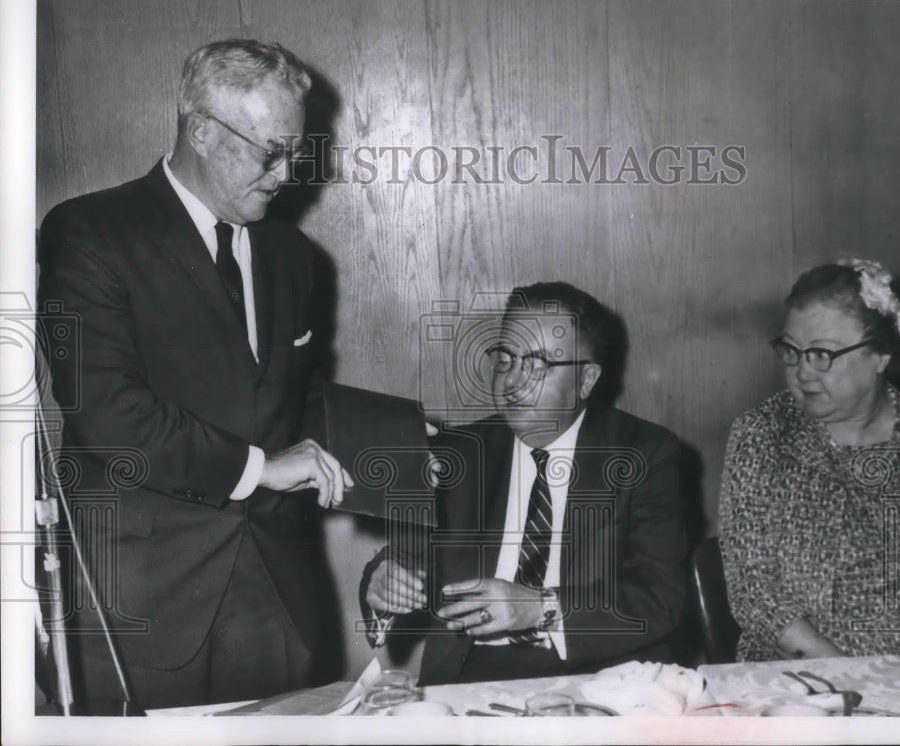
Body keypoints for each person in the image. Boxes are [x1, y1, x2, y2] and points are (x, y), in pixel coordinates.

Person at [37, 39, 354, 709]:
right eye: (273, 150)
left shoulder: (295, 256)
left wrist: (401, 451)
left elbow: (299, 402)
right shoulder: (90, 233)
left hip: (274, 592)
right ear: (203, 131)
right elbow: (108, 413)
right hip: (144, 603)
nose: (288, 172)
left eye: (298, 151)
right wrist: (256, 468)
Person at [360, 282, 687, 685]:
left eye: (537, 364)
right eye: (505, 359)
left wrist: (539, 607)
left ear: (586, 380)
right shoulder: (459, 454)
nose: (513, 381)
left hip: (603, 672)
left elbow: (660, 596)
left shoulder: (644, 453)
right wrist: (384, 585)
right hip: (473, 673)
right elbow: (406, 558)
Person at [718, 259, 900, 661]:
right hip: (809, 685)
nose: (803, 371)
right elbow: (755, 594)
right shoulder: (764, 434)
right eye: (791, 350)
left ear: (881, 356)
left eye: (822, 353)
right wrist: (852, 680)